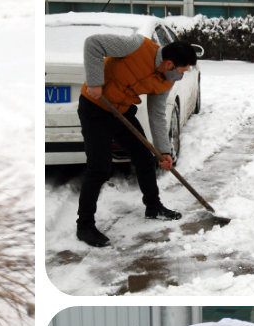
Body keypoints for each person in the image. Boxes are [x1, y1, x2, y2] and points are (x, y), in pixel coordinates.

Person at [75, 33, 199, 247]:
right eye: (181, 71)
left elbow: (157, 115)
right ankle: (84, 226)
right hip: (94, 108)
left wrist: (164, 151)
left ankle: (153, 207)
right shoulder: (136, 46)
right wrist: (95, 82)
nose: (181, 76)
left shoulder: (165, 81)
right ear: (169, 64)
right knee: (99, 168)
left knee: (144, 157)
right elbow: (92, 43)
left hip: (121, 112)